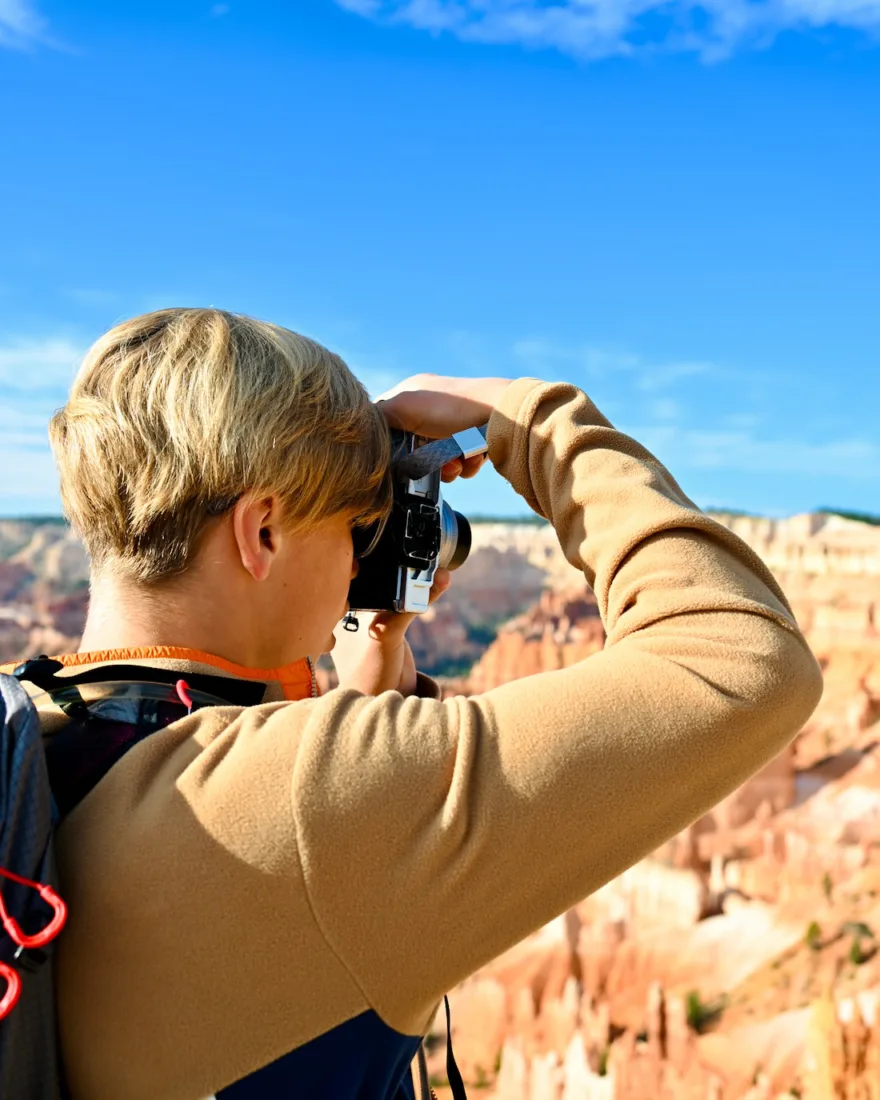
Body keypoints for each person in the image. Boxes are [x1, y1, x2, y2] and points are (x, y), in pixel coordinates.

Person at [11, 308, 822, 1100]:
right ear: (260, 533)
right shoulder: (311, 803)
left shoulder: (32, 723)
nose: (362, 555)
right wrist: (527, 420)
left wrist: (360, 692)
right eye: (356, 528)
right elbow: (744, 660)